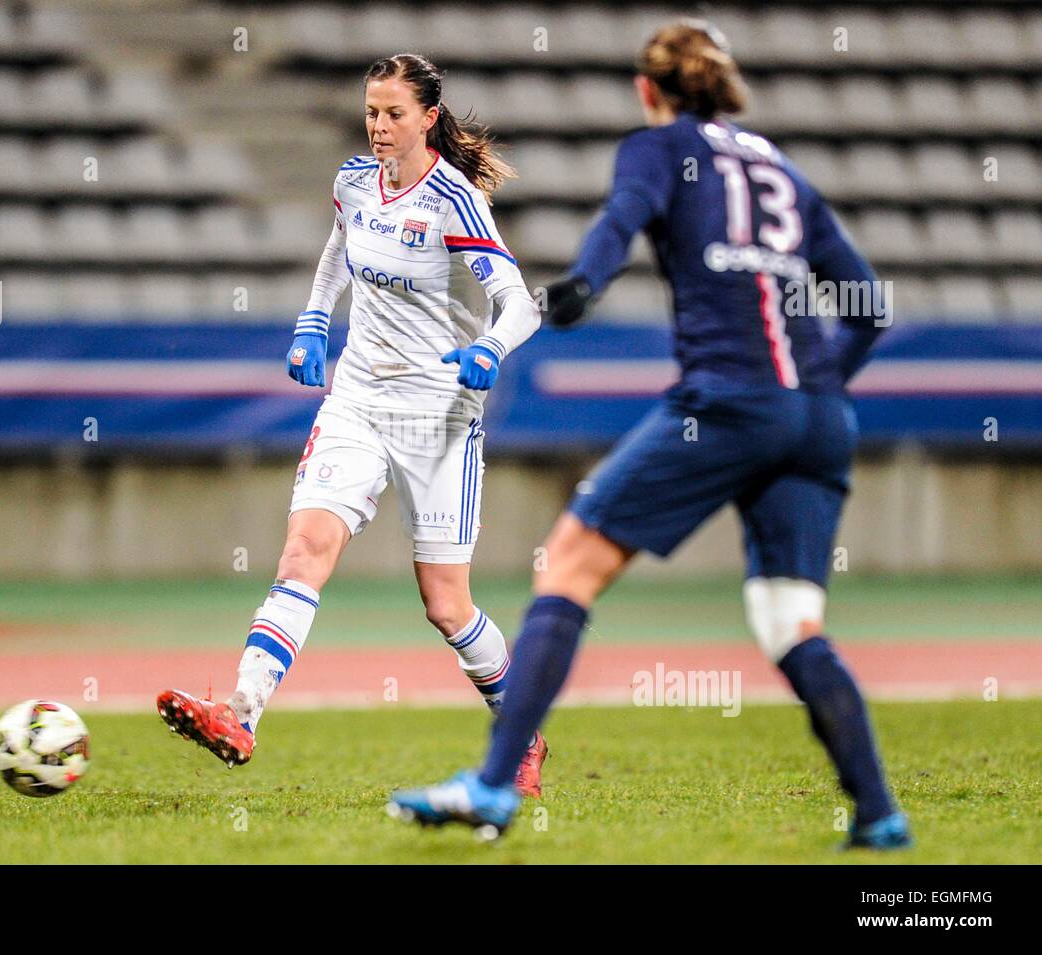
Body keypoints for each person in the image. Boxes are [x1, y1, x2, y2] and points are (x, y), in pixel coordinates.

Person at [389, 21, 910, 849]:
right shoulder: (777, 164)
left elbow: (621, 221)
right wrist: (811, 394)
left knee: (568, 562)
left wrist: (581, 290)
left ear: (648, 90)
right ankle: (879, 815)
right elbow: (868, 305)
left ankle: (492, 785)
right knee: (789, 620)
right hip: (817, 416)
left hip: (727, 402)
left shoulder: (657, 147)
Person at [158, 53, 549, 794]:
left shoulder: (453, 202)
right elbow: (338, 250)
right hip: (358, 401)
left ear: (428, 117)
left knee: (446, 603)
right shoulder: (353, 182)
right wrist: (312, 322)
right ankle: (241, 710)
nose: (378, 125)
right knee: (305, 548)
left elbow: (521, 303)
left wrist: (491, 349)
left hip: (438, 414)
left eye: (394, 112)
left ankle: (522, 731)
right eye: (372, 111)